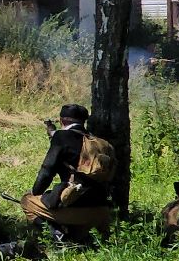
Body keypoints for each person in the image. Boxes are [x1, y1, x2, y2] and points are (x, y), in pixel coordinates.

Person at [20, 103, 114, 244]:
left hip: (76, 209)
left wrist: (35, 192)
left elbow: (46, 171)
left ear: (62, 120)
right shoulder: (100, 143)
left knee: (27, 201)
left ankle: (58, 237)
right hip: (103, 210)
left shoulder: (61, 138)